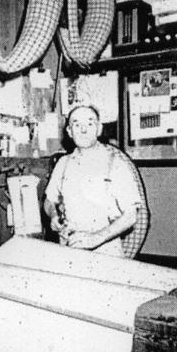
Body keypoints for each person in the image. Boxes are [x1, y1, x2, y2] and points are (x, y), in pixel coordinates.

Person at [43, 104, 142, 258]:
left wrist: (95, 239)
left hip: (105, 252)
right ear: (69, 131)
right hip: (69, 248)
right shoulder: (63, 163)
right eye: (77, 125)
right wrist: (54, 215)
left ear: (99, 128)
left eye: (90, 123)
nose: (83, 130)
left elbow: (131, 215)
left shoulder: (116, 164)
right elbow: (49, 200)